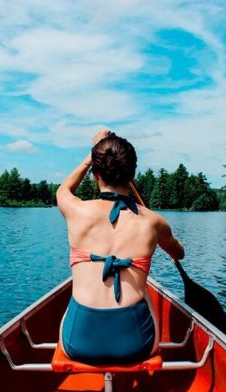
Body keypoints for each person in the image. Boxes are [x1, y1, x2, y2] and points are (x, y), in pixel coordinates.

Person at [56, 129, 185, 365]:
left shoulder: (76, 211)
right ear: (132, 174)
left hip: (77, 344)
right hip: (136, 346)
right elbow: (180, 253)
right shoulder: (154, 222)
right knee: (143, 287)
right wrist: (170, 243)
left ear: (95, 174)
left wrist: (92, 155)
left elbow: (63, 190)